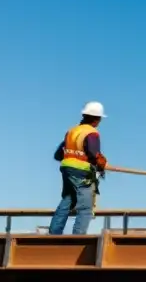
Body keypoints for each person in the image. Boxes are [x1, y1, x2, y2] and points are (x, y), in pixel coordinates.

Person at [48, 101, 108, 235]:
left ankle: (53, 235)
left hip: (67, 170)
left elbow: (58, 155)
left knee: (68, 201)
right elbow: (93, 153)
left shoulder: (72, 131)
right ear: (97, 119)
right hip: (82, 173)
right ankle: (78, 238)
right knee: (86, 207)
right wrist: (101, 162)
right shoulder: (92, 133)